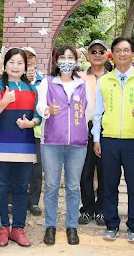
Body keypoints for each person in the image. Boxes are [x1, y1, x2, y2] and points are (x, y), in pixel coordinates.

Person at [93, 37, 134, 243]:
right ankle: (111, 224)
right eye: (118, 50)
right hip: (108, 139)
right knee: (109, 184)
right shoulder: (105, 81)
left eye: (126, 50)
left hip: (133, 140)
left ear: (133, 53)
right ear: (113, 54)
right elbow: (98, 113)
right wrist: (96, 138)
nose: (122, 54)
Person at [37, 46, 93, 246]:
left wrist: (80, 131)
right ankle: (50, 226)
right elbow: (39, 105)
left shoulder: (82, 85)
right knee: (51, 185)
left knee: (72, 186)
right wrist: (48, 110)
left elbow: (89, 111)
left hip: (77, 145)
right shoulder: (48, 82)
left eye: (71, 57)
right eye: (63, 57)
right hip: (51, 142)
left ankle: (71, 226)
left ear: (76, 61)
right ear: (56, 61)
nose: (67, 61)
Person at [0, 48, 41, 247]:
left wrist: (32, 123)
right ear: (5, 64)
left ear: (25, 66)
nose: (16, 66)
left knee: (21, 187)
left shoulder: (32, 89)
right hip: (0, 143)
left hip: (24, 144)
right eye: (12, 62)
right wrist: (6, 100)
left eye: (20, 63)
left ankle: (18, 228)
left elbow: (38, 114)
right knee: (1, 186)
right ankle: (3, 228)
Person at [77, 40, 109, 226]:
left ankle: (101, 209)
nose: (97, 54)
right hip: (84, 127)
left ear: (106, 55)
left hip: (107, 128)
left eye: (101, 51)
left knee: (105, 171)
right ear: (88, 56)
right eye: (93, 51)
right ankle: (87, 208)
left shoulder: (113, 77)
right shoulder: (79, 77)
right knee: (85, 171)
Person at [23, 47, 44, 216]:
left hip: (36, 130)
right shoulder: (13, 80)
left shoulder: (43, 82)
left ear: (36, 61)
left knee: (37, 168)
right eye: (25, 57)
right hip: (18, 130)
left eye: (32, 57)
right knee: (17, 165)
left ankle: (34, 202)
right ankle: (14, 199)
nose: (29, 60)